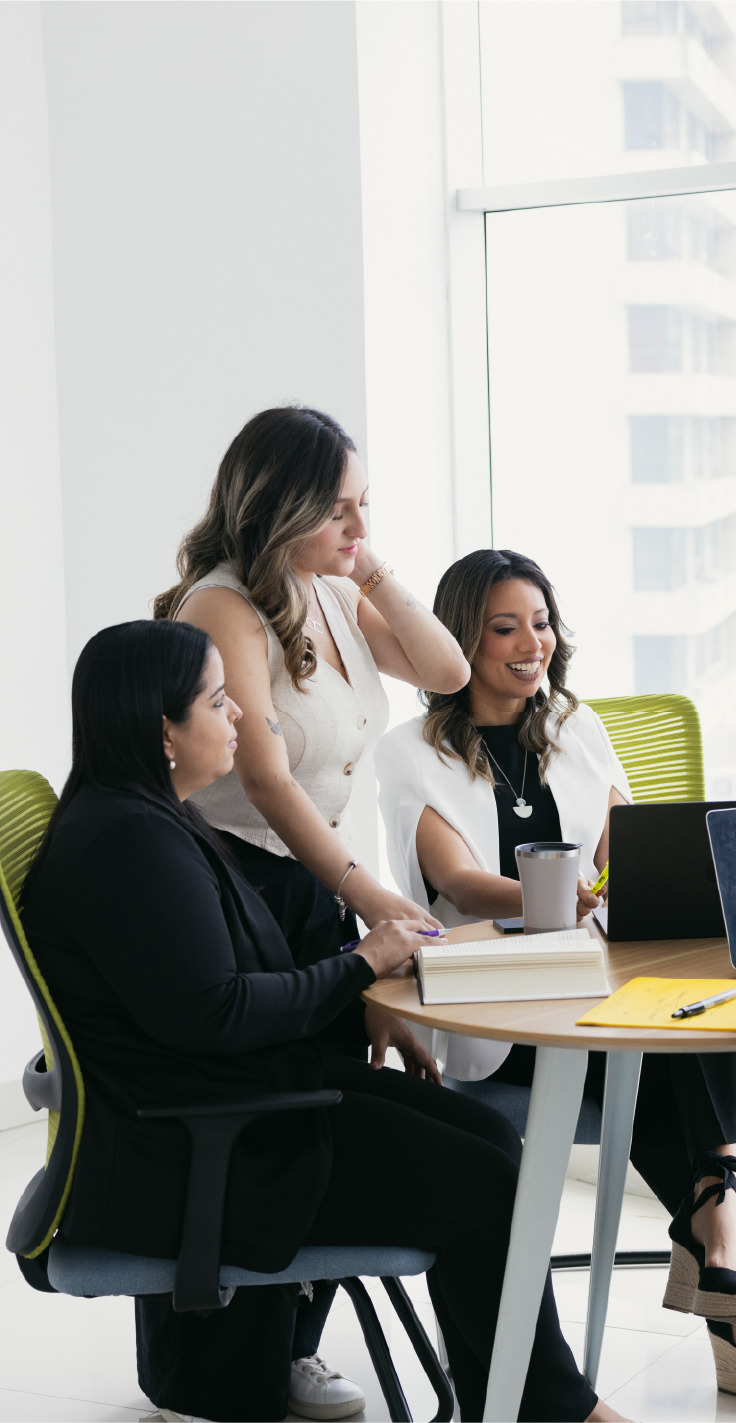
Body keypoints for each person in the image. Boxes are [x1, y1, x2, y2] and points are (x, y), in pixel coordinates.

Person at [21, 620, 624, 1423]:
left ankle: (515, 1397)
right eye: (216, 700)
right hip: (218, 1145)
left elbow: (228, 986)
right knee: (484, 1181)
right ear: (162, 728)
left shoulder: (148, 816)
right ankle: (551, 1410)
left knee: (487, 1137)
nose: (240, 713)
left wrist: (358, 997)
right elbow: (220, 1012)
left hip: (242, 1099)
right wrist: (362, 964)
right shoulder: (130, 843)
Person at [375, 548, 736, 1410]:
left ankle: (716, 1213)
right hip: (504, 1011)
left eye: (541, 623)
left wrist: (641, 885)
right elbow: (458, 879)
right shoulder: (411, 749)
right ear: (461, 637)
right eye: (504, 626)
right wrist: (560, 898)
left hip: (598, 984)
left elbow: (626, 845)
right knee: (726, 1042)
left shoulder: (574, 723)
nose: (530, 642)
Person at [153, 405, 470, 1415]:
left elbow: (447, 672)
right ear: (279, 503)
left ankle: (293, 1342)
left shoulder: (330, 588)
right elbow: (269, 777)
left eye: (363, 505)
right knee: (289, 1123)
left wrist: (369, 570)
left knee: (334, 1104)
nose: (356, 526)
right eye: (339, 509)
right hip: (246, 876)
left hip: (314, 878)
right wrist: (365, 891)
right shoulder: (223, 606)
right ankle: (254, 1353)